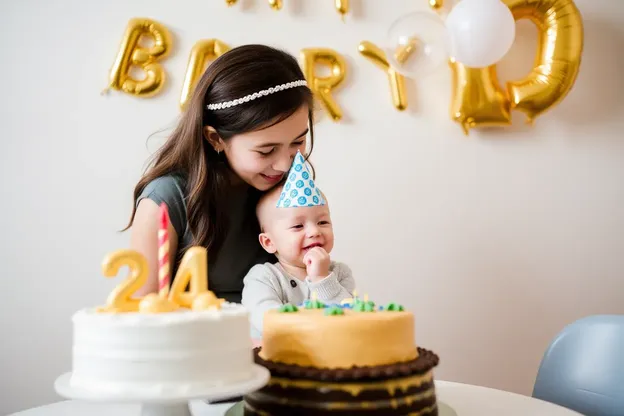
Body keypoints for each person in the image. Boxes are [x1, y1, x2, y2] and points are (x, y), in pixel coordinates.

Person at [125, 44, 315, 303]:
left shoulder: (288, 188)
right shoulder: (167, 200)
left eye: (297, 143)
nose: (284, 165)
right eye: (266, 150)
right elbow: (142, 312)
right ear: (215, 138)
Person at [241, 152, 356, 340]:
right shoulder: (263, 278)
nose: (314, 232)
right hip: (278, 361)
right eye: (297, 226)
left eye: (323, 222)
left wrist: (322, 278)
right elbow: (266, 319)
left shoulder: (340, 273)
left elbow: (352, 318)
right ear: (269, 242)